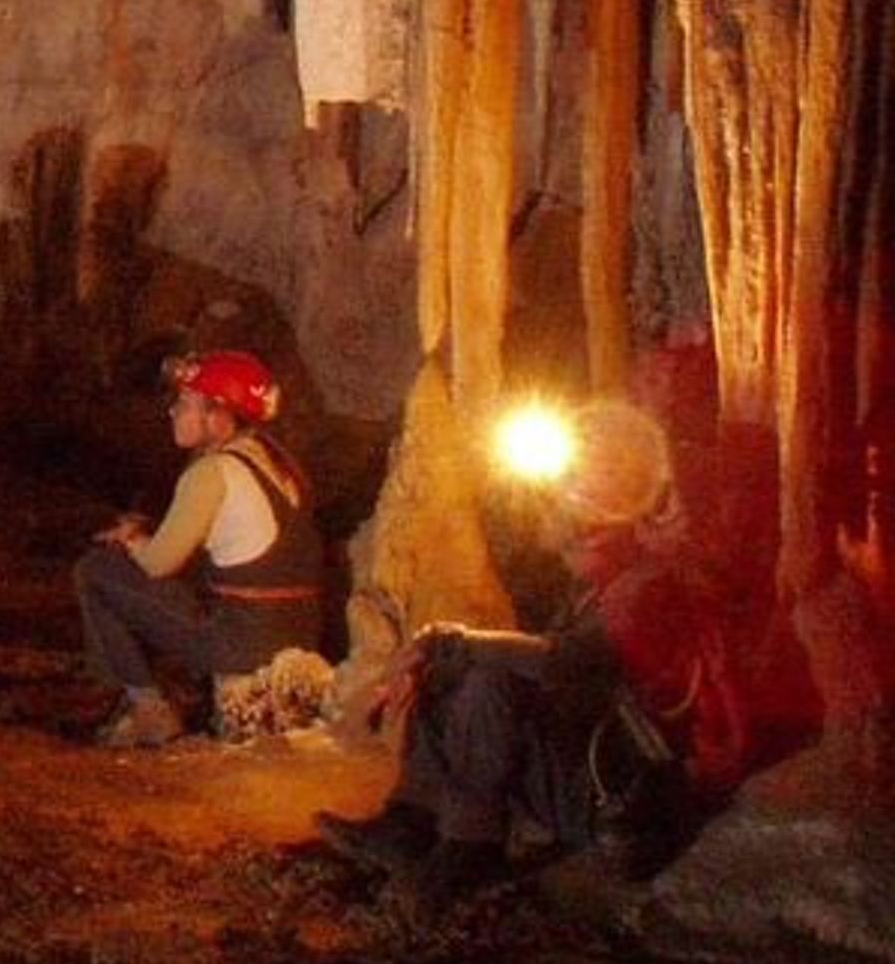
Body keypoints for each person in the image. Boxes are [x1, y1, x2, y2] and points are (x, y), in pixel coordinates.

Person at [317, 400, 754, 907]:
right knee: (454, 674)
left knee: (487, 684)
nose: (566, 515)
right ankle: (410, 823)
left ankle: (469, 848)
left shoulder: (650, 588)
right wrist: (445, 653)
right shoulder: (608, 587)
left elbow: (567, 663)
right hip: (595, 769)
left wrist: (459, 642)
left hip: (620, 795)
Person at [73, 347, 324, 747]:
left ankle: (147, 708)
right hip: (298, 632)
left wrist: (133, 538)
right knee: (183, 580)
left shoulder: (211, 472)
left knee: (98, 570)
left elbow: (158, 564)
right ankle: (174, 691)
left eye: (186, 403)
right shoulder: (275, 461)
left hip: (243, 642)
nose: (173, 411)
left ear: (218, 416)